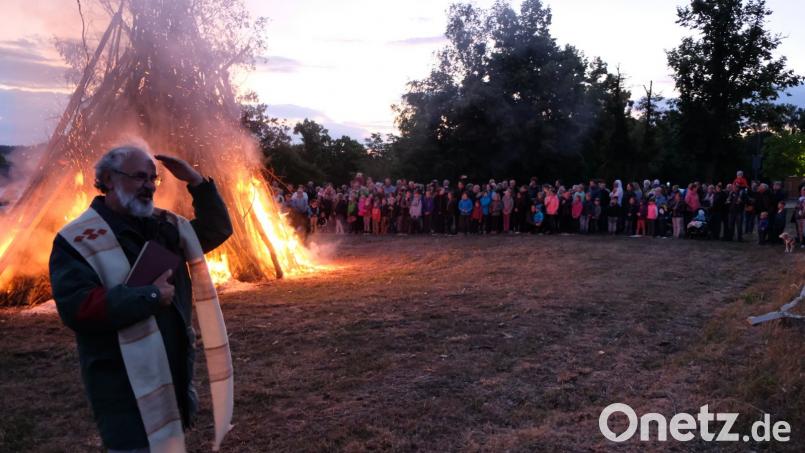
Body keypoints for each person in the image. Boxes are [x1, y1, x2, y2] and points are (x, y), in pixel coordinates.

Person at [49, 146, 234, 452]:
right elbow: (77, 308)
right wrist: (149, 296)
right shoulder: (77, 240)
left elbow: (216, 229)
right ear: (108, 179)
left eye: (152, 178)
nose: (149, 185)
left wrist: (197, 182)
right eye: (139, 177)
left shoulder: (165, 227)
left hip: (171, 375)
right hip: (122, 387)